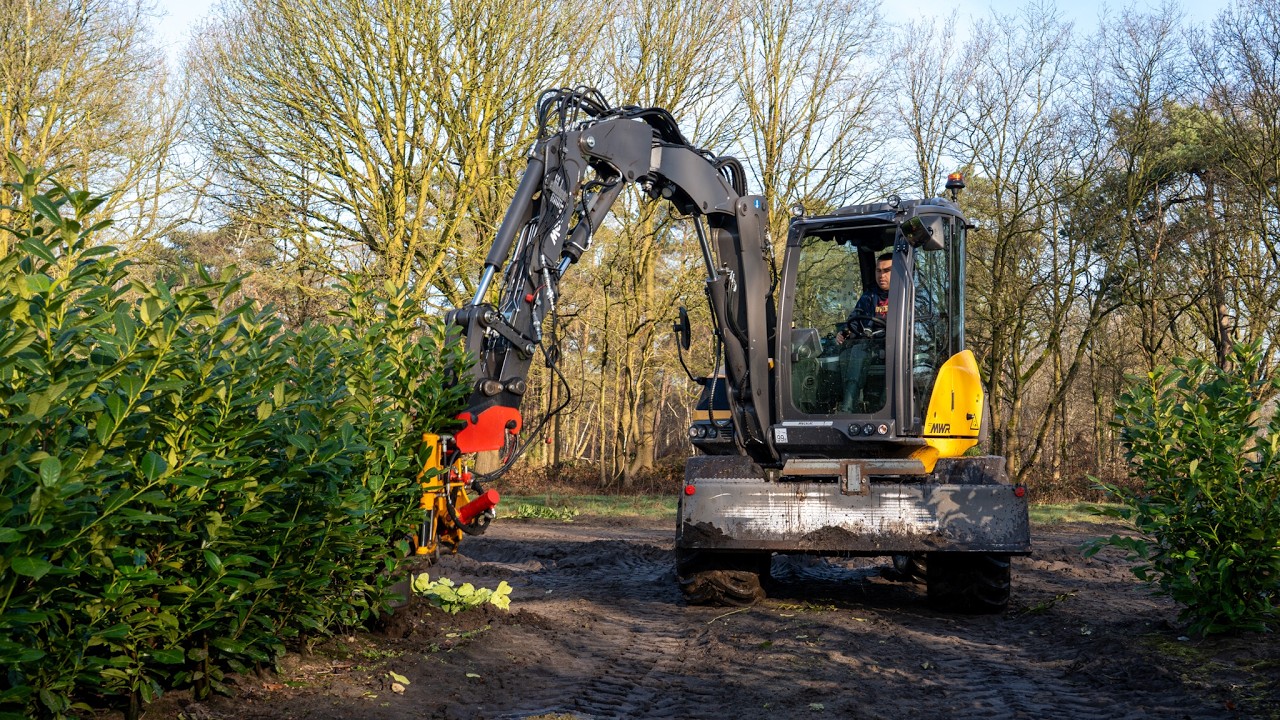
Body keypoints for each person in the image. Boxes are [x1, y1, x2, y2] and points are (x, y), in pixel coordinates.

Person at [836, 252, 892, 412]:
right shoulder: (869, 296)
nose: (882, 275)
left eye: (887, 271)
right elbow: (856, 318)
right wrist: (845, 332)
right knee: (853, 352)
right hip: (871, 346)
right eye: (879, 271)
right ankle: (848, 407)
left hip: (894, 347)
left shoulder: (907, 295)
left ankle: (886, 407)